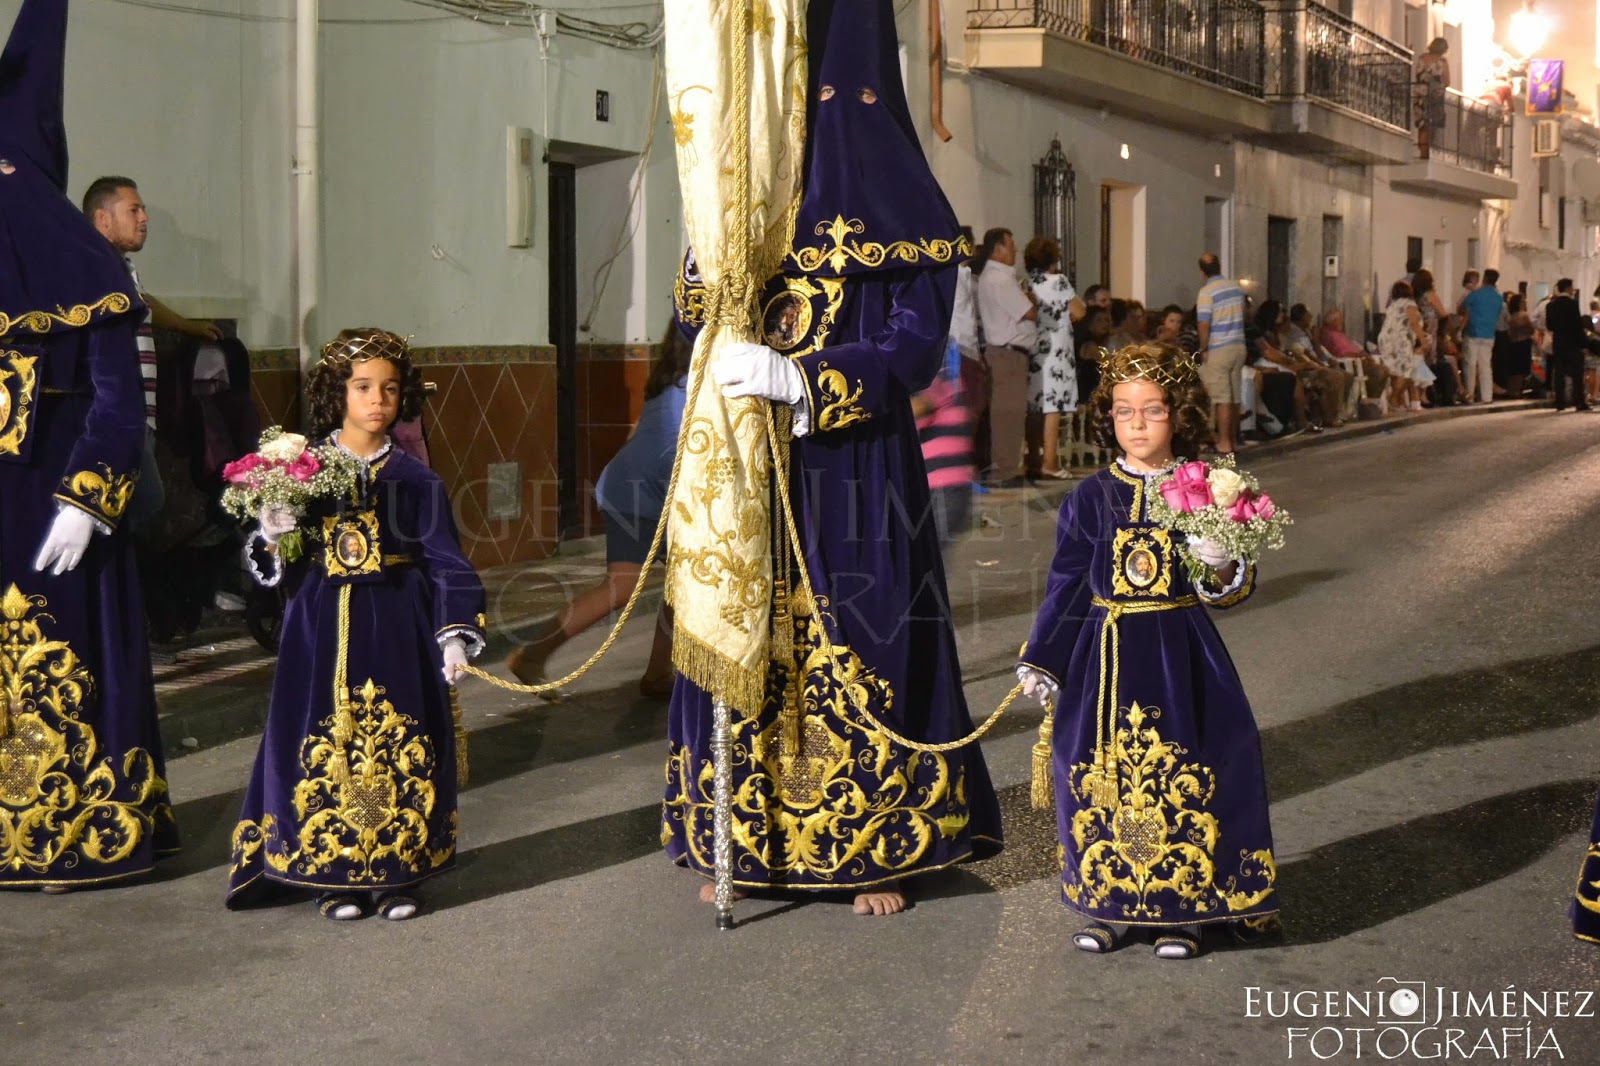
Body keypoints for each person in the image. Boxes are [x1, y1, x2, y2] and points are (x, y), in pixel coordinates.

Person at [666, 0, 1003, 917]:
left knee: (864, 631)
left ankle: (875, 847)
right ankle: (744, 840)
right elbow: (696, 318)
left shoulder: (897, 195)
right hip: (745, 460)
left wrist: (807, 379)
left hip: (851, 467)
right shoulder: (738, 196)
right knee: (746, 629)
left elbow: (913, 345)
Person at [1015, 342, 1277, 959]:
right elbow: (1068, 583)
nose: (1136, 424)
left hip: (1179, 655)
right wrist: (1044, 658)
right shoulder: (1088, 497)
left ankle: (1182, 912)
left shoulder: (1207, 487)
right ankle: (1106, 906)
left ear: (1176, 415)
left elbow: (1228, 592)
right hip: (1102, 662)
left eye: (1151, 410)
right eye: (1123, 411)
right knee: (1100, 779)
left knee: (1190, 771)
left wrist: (1220, 560)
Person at [0, 0, 179, 890]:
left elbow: (118, 404)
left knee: (70, 672)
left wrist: (88, 495)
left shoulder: (91, 271)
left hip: (58, 508)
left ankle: (84, 828)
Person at [228, 330, 485, 921]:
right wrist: (272, 530)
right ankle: (334, 876)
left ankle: (400, 874)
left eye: (390, 390)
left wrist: (453, 632)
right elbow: (278, 562)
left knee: (398, 743)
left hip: (398, 626)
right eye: (363, 387)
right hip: (319, 627)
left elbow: (446, 560)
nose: (378, 401)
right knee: (323, 740)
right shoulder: (302, 471)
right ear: (336, 393)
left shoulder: (417, 480)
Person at [507, 321, 688, 699]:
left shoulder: (669, 379)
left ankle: (658, 674)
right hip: (641, 493)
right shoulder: (696, 382)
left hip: (639, 485)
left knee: (682, 584)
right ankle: (532, 655)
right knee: (623, 587)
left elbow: (638, 434)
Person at [82, 175, 223, 529]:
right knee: (141, 503)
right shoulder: (92, 269)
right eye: (134, 210)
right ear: (103, 219)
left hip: (135, 415)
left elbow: (144, 305)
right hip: (117, 416)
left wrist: (190, 327)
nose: (144, 218)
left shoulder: (118, 268)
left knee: (139, 507)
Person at [975, 226, 1035, 484]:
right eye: (1011, 245)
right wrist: (1030, 298)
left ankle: (1007, 467)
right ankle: (1005, 470)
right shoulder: (999, 279)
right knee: (1007, 413)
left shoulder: (996, 277)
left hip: (1007, 353)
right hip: (1007, 353)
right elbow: (1029, 312)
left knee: (1007, 411)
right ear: (998, 249)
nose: (1016, 250)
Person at [1023, 235, 1084, 480]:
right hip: (1057, 348)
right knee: (1053, 406)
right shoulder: (1059, 281)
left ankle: (1033, 460)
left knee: (1035, 404)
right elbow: (1079, 310)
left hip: (1035, 346)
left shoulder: (1026, 283)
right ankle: (1050, 461)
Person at [913, 339, 975, 551]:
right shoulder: (939, 370)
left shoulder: (939, 372)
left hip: (943, 488)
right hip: (937, 488)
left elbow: (917, 407)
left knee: (924, 563)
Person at [1194, 252, 1247, 454]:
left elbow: (1204, 323)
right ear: (1219, 266)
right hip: (1238, 345)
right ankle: (1232, 439)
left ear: (1201, 271)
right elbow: (1244, 314)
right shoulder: (1236, 287)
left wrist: (1204, 347)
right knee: (1234, 395)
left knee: (1221, 396)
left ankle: (1223, 442)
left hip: (1219, 347)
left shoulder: (1207, 292)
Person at [1378, 281, 1432, 411]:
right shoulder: (1409, 304)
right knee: (1409, 369)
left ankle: (1398, 400)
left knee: (1397, 370)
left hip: (1386, 340)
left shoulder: (1393, 305)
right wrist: (1423, 340)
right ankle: (1393, 398)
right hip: (1400, 340)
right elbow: (1413, 323)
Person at [1545, 278, 1591, 412]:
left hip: (1558, 342)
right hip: (1572, 343)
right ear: (1567, 288)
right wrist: (1583, 344)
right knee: (1577, 374)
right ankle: (1579, 402)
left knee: (1559, 373)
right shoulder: (1572, 304)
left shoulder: (1551, 305)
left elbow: (1549, 325)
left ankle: (1560, 402)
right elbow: (1577, 326)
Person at [1459, 268, 1502, 403]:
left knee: (1470, 365)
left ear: (1484, 279)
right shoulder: (1498, 297)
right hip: (1489, 334)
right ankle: (1487, 396)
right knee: (1485, 365)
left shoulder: (1476, 294)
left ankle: (1470, 395)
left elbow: (1462, 308)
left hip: (1473, 332)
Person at [1415, 38, 1451, 160]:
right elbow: (1447, 81)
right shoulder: (1442, 62)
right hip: (1435, 97)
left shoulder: (1421, 58)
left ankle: (1422, 151)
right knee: (1433, 124)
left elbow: (1418, 75)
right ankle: (1428, 152)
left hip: (1420, 94)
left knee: (1422, 124)